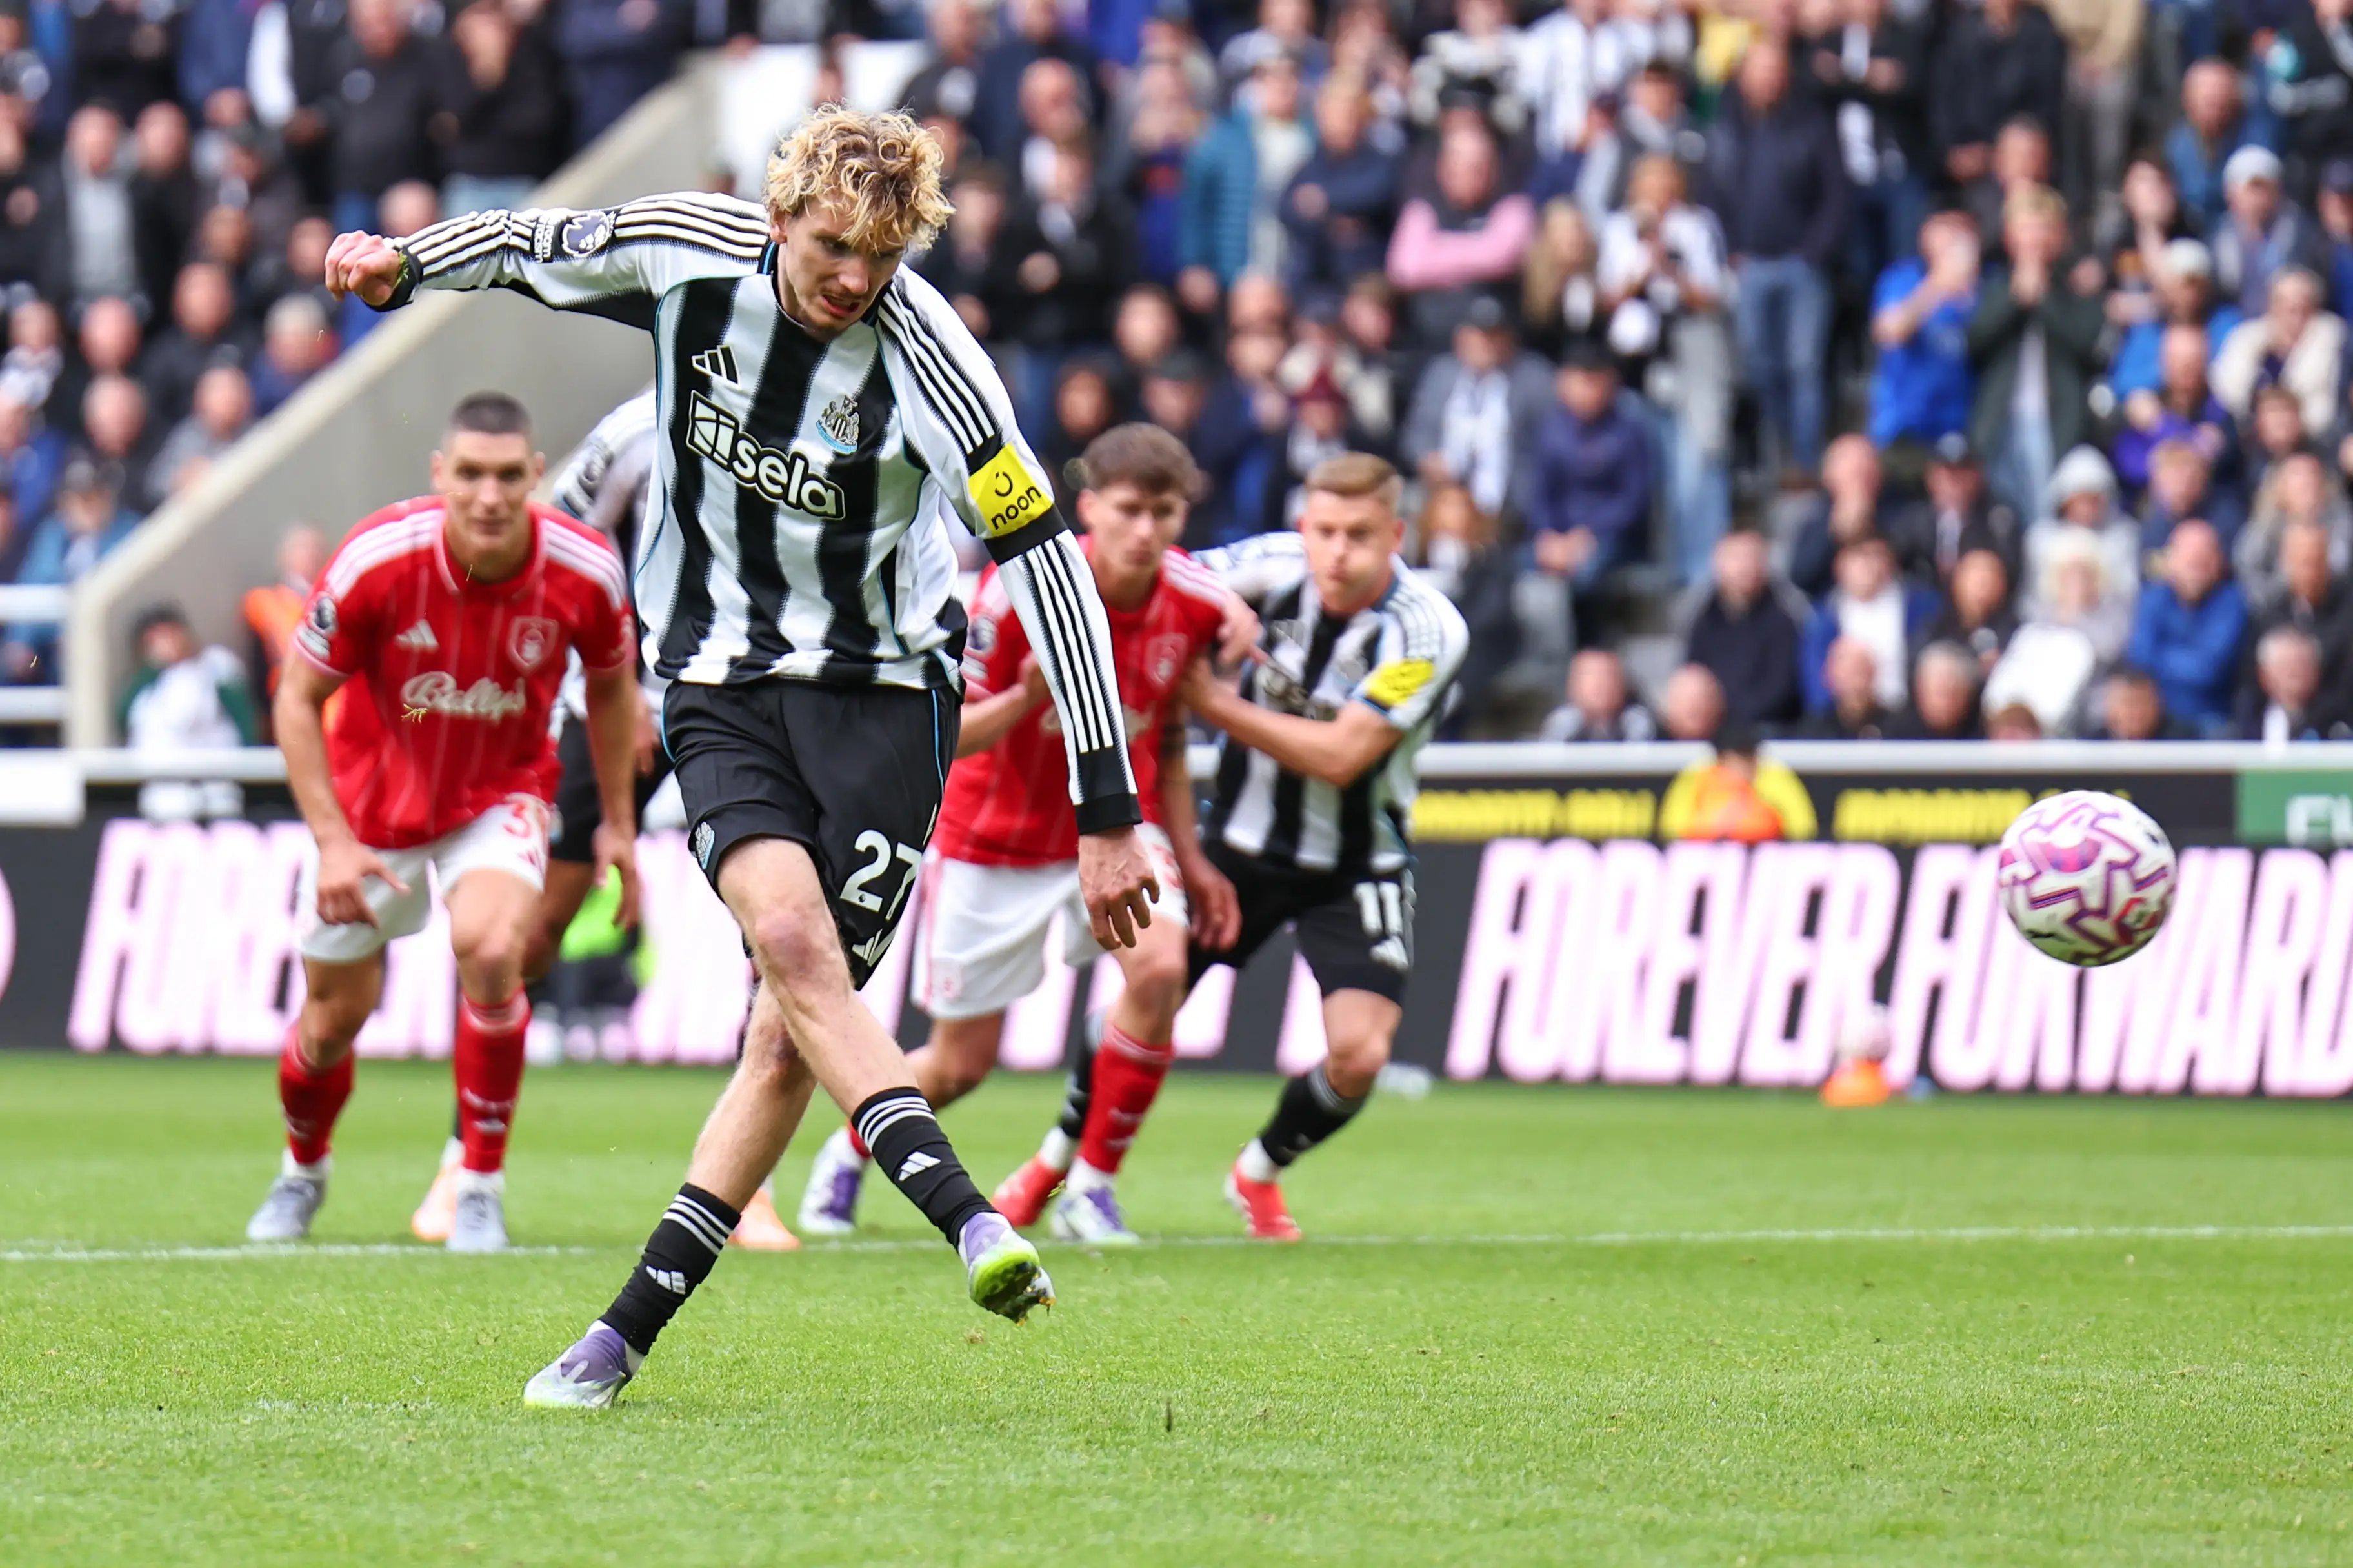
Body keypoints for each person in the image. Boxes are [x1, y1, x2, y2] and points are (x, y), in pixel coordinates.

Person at [326, 108, 1156, 1405]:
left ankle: (621, 1334)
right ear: (779, 218)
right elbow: (537, 241)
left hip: (887, 697)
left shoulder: (935, 364)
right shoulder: (683, 250)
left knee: (785, 1040)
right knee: (792, 947)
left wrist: (1107, 806)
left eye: (879, 261)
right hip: (718, 680)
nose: (851, 282)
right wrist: (407, 263)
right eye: (831, 248)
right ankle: (971, 1219)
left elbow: (1045, 560)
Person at [799, 425, 1249, 1247]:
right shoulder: (1015, 596)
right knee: (961, 1064)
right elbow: (948, 733)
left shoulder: (1197, 600)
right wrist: (1025, 700)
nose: (1145, 531)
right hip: (991, 845)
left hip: (1112, 832)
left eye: (1164, 512)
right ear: (1088, 508)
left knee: (1159, 972)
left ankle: (1092, 1187)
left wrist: (1193, 860)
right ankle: (847, 1147)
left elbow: (1172, 742)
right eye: (1128, 511)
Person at [241, 392, 642, 1265]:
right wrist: (333, 842)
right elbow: (296, 699)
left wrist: (616, 822)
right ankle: (302, 1166)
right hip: (369, 809)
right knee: (330, 1019)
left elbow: (613, 694)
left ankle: (478, 1186)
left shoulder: (585, 570)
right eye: (470, 474)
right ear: (440, 476)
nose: (489, 494)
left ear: (537, 477)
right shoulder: (378, 559)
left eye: (507, 475)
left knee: (495, 949)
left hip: (497, 796)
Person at [405, 392, 798, 1254]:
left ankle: (751, 1186)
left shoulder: (822, 416)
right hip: (609, 699)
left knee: (773, 931)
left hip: (746, 700)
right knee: (530, 926)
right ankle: (461, 1157)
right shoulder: (639, 426)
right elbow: (549, 538)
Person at [1114, 453, 1467, 1241]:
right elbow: (1153, 573)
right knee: (1146, 1000)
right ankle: (1063, 1170)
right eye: (1323, 531)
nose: (1337, 552)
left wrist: (1207, 699)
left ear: (1396, 535)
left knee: (1360, 1056)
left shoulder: (1427, 627)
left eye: (1359, 535)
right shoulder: (1267, 565)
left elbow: (1343, 756)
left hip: (1356, 859)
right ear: (1301, 526)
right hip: (1236, 846)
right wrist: (1209, 613)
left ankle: (1260, 1168)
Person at [2125, 517, 2246, 733]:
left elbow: (2208, 670)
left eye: (2203, 562)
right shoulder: (2153, 598)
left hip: (2212, 718)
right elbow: (2140, 658)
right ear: (2171, 561)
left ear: (2218, 563)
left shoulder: (2232, 603)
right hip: (2157, 718)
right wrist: (2187, 658)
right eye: (2190, 562)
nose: (2196, 571)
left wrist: (2161, 655)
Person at [1683, 528, 1802, 728]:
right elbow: (1693, 673)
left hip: (1767, 730)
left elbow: (1780, 692)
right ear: (1717, 564)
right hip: (1713, 729)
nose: (1745, 567)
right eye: (1736, 558)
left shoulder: (1784, 620)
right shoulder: (1703, 621)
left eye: (1752, 558)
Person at [2234, 624, 2345, 740]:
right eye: (2286, 666)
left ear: (2317, 671)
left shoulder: (2335, 723)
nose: (2295, 673)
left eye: (2302, 665)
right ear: (2263, 674)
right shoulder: (2248, 717)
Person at [1539, 648, 1658, 740]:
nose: (1600, 685)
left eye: (1608, 676)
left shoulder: (1635, 722)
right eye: (1590, 676)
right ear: (1573, 684)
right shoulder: (1564, 722)